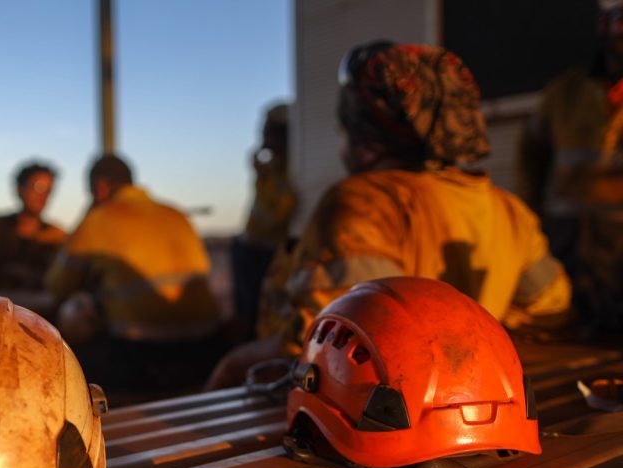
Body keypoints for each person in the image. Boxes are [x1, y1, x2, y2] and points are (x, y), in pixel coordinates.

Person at [208, 42, 572, 389]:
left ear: (367, 134)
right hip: (462, 405)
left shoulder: (363, 202)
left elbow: (320, 342)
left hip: (378, 419)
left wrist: (235, 363)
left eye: (346, 128)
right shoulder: (509, 210)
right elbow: (550, 310)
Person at [45, 154, 222, 392]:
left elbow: (57, 287)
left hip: (142, 351)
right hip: (207, 344)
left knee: (72, 326)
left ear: (100, 187)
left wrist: (88, 216)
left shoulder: (99, 219)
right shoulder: (175, 213)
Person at [516, 0, 623, 278]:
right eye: (621, 19)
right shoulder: (564, 93)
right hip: (566, 240)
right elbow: (529, 157)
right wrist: (528, 222)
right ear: (603, 24)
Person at [230, 103, 297, 341]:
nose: (262, 135)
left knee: (257, 308)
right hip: (253, 247)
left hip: (267, 252)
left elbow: (277, 213)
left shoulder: (290, 169)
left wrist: (262, 174)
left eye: (268, 130)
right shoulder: (273, 168)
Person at [0, 161, 66, 292]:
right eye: (38, 187)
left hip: (41, 307)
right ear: (19, 188)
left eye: (49, 190)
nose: (43, 196)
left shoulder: (57, 236)